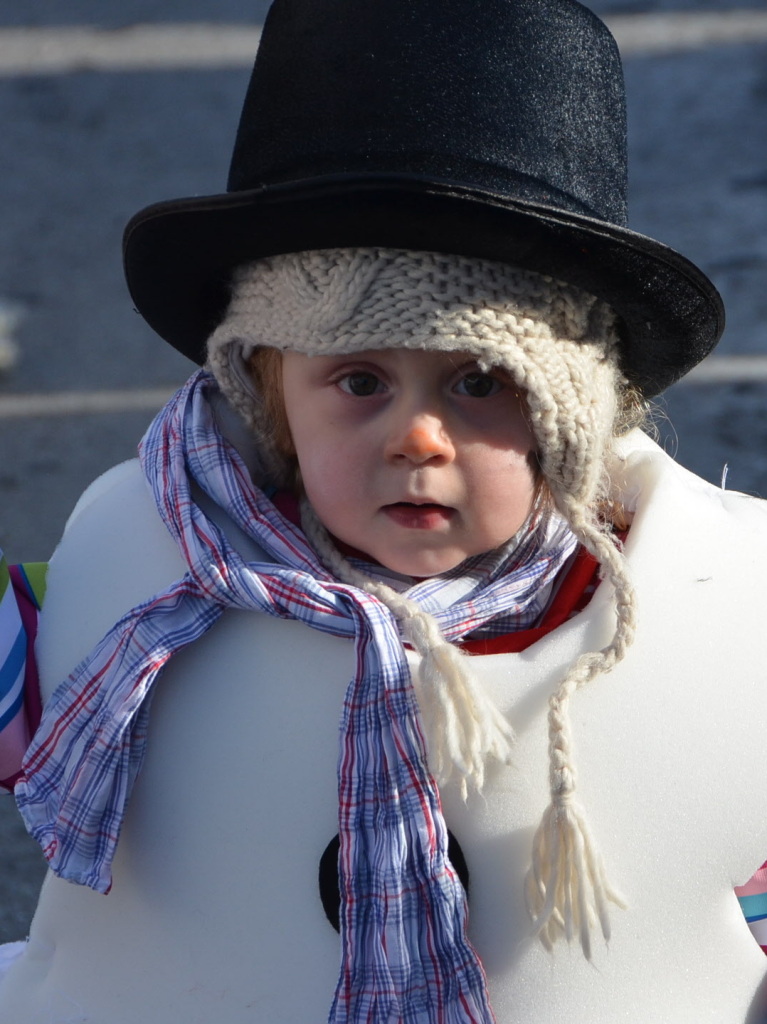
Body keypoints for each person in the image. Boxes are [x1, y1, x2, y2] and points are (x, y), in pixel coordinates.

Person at [1, 0, 767, 1021]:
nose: (419, 437)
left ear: (571, 416)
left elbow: (727, 869)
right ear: (270, 402)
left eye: (481, 381)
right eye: (361, 382)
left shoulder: (697, 614)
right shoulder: (116, 603)